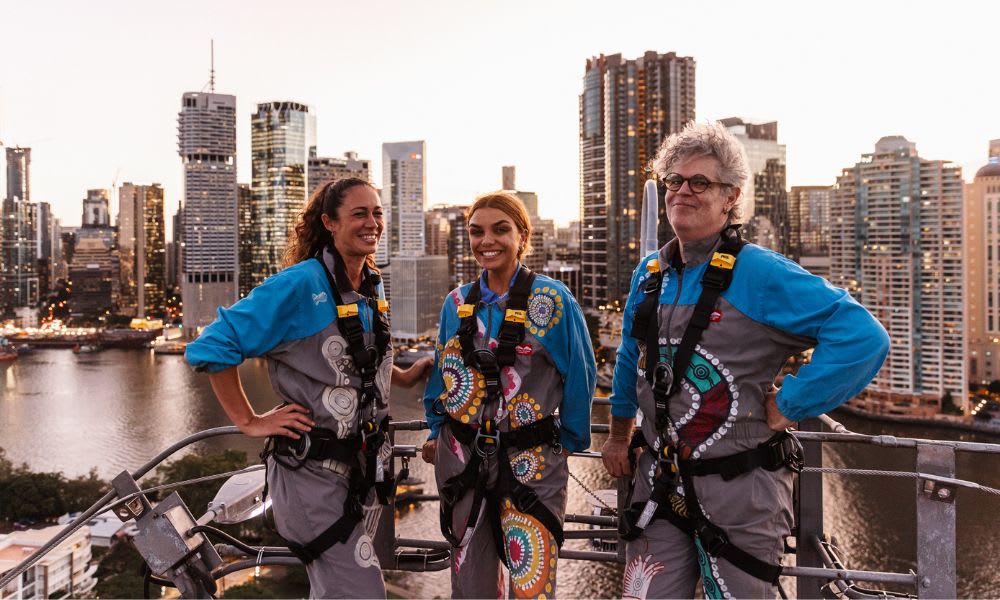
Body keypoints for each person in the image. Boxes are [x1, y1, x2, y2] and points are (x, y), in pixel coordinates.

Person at [602, 122, 889, 599]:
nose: (683, 191)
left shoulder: (760, 272)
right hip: (657, 486)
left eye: (700, 182)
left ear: (731, 196)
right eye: (673, 180)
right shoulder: (650, 273)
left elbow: (863, 337)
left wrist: (793, 403)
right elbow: (633, 354)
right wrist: (617, 434)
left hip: (740, 493)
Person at [186, 177, 431, 599]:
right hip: (313, 478)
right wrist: (250, 421)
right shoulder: (302, 285)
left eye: (377, 212)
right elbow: (212, 347)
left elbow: (357, 363)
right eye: (359, 213)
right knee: (362, 594)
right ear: (329, 223)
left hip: (363, 472)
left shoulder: (370, 283)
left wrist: (406, 377)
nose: (372, 222)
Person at [419, 192, 596, 599]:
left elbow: (581, 376)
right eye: (476, 232)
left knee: (531, 582)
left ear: (522, 235)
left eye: (501, 229)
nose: (487, 241)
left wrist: (567, 442)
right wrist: (435, 430)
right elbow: (442, 372)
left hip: (531, 461)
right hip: (463, 459)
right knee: (470, 584)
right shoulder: (458, 303)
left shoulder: (551, 301)